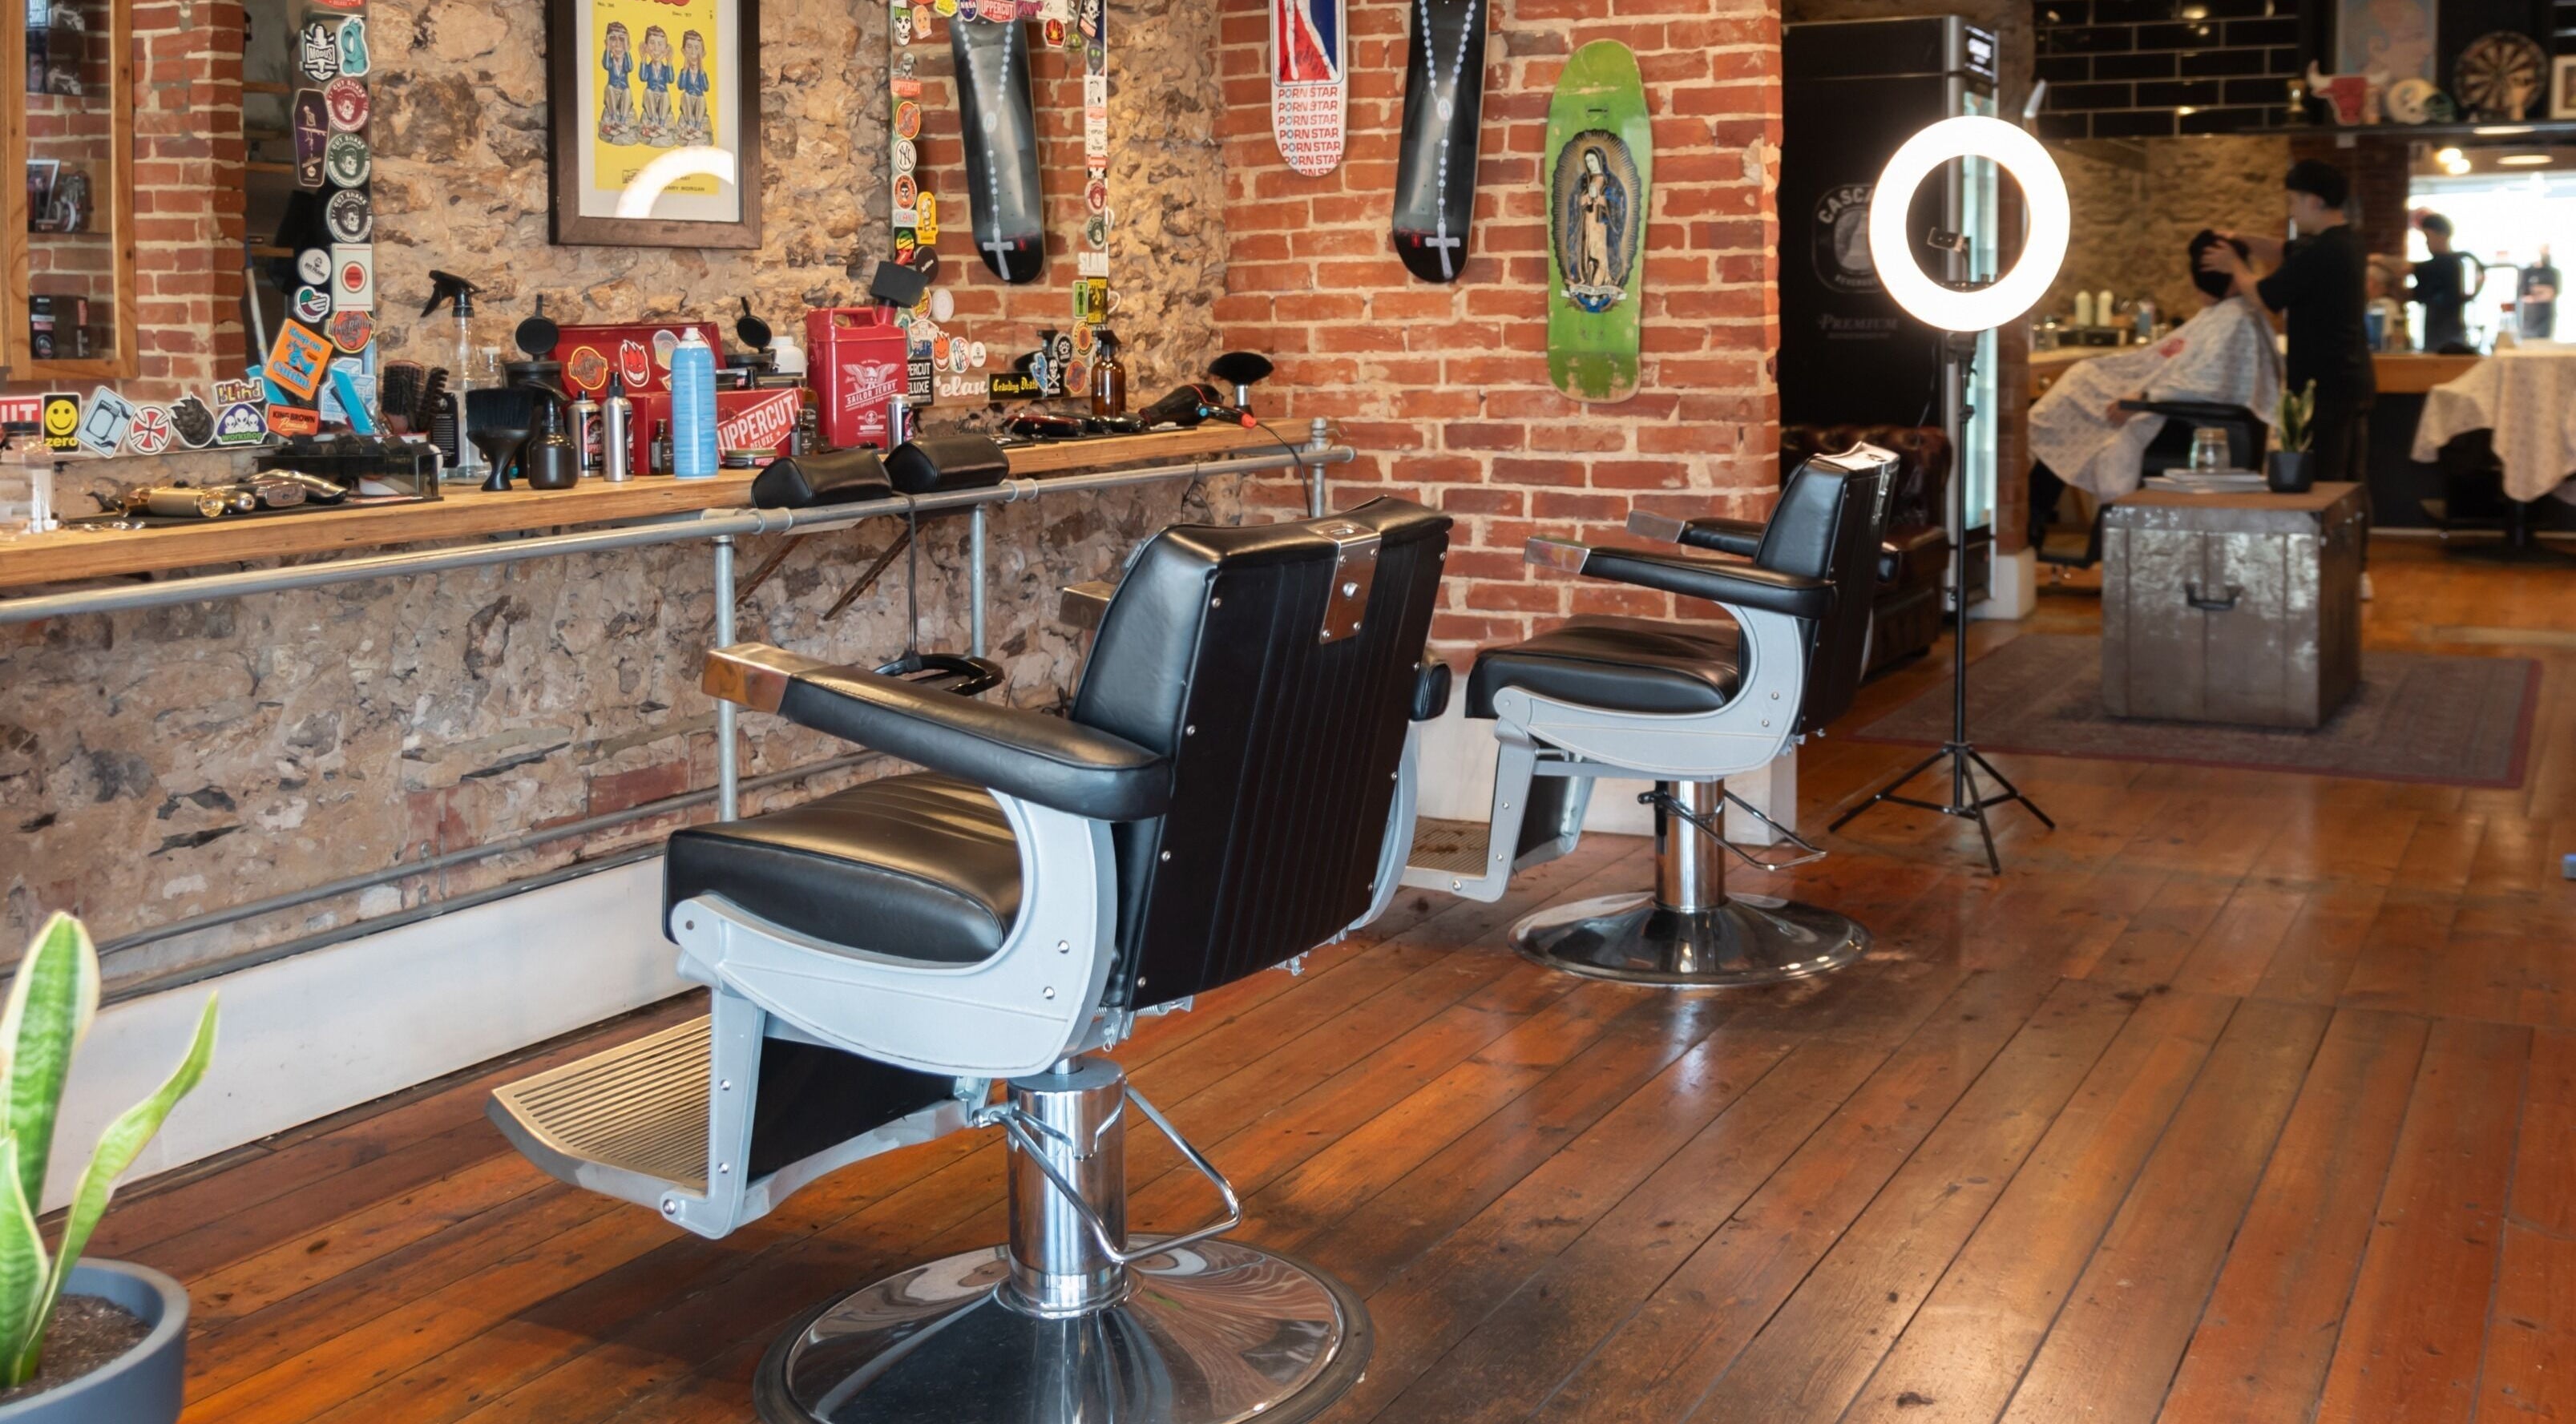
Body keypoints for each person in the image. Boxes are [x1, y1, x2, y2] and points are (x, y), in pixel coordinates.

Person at [2028, 230, 2283, 535]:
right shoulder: (2227, 315)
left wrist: (2143, 398)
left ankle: (2030, 524)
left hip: (2185, 427)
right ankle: (2033, 519)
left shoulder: (2236, 320)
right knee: (2074, 399)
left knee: (2069, 419)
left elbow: (2207, 382)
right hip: (2174, 413)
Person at [2199, 159, 2375, 492]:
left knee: (2328, 485)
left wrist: (2233, 263)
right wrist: (2240, 239)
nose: (2291, 211)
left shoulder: (2323, 251)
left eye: (2293, 202)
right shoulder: (2345, 240)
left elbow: (2264, 296)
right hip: (2348, 382)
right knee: (2350, 482)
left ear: (2314, 201)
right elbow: (2283, 249)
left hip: (2326, 388)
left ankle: (2327, 543)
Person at [2408, 212, 2475, 352]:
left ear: (2442, 235)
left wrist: (2377, 260)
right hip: (2442, 335)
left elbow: (2407, 268)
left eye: (2428, 236)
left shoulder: (2446, 263)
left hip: (2446, 338)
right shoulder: (2453, 263)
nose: (2426, 242)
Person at [2522, 245, 2559, 341]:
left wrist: (2535, 292)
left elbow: (2551, 294)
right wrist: (2544, 291)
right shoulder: (2526, 272)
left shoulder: (2553, 272)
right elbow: (2524, 295)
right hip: (2528, 321)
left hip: (2546, 320)